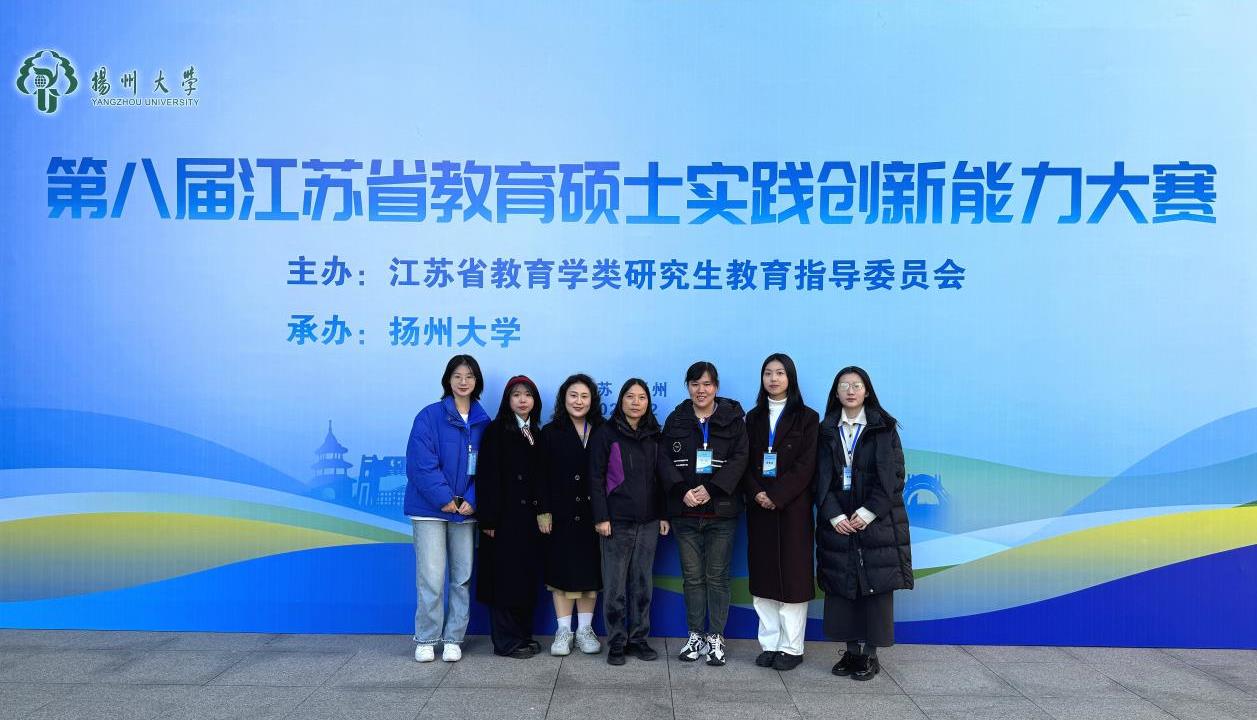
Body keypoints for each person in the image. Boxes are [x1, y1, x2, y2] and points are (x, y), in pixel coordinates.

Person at [815, 366, 912, 681]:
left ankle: (870, 655)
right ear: (836, 392)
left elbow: (895, 477)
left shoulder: (884, 428)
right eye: (844, 385)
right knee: (842, 588)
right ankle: (851, 652)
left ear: (867, 391)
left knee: (874, 589)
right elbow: (819, 479)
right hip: (839, 522)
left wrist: (868, 513)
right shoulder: (826, 429)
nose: (850, 390)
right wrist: (834, 515)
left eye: (856, 385)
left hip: (877, 522)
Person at [404, 354, 491, 663]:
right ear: (448, 380)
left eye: (469, 376)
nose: (463, 382)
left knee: (462, 576)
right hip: (430, 509)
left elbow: (489, 468)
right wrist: (445, 499)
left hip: (465, 511)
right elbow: (420, 463)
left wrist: (472, 499)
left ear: (477, 381)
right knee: (430, 576)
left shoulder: (484, 422)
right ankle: (427, 638)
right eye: (457, 376)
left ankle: (454, 638)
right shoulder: (429, 416)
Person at [662, 361, 749, 666]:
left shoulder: (733, 419)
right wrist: (681, 489)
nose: (701, 390)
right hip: (685, 515)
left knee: (717, 577)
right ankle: (695, 634)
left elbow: (741, 458)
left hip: (721, 515)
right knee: (692, 578)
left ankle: (716, 637)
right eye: (695, 384)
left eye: (707, 384)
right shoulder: (676, 419)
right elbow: (663, 460)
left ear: (716, 387)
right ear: (688, 386)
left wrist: (712, 489)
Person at [589, 379, 675, 666]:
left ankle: (638, 639)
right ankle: (616, 641)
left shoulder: (654, 435)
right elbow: (595, 478)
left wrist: (663, 515)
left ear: (648, 402)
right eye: (630, 396)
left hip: (649, 522)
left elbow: (662, 478)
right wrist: (601, 517)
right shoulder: (606, 433)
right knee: (614, 587)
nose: (636, 402)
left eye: (642, 397)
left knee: (642, 584)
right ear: (621, 400)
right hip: (616, 522)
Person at [742, 353, 819, 671]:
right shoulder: (752, 417)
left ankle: (791, 647)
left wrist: (777, 495)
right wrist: (758, 493)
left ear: (790, 378)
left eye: (780, 373)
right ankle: (770, 644)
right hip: (759, 508)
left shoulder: (808, 418)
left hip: (793, 509)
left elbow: (807, 465)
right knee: (764, 580)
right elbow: (743, 461)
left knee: (793, 579)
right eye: (768, 373)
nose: (773, 379)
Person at [476, 375, 548, 658]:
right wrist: (489, 519)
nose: (522, 400)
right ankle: (506, 642)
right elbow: (487, 477)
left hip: (528, 521)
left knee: (524, 579)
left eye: (527, 395)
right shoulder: (496, 431)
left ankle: (522, 635)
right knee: (504, 580)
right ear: (508, 400)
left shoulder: (536, 433)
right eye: (516, 394)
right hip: (503, 520)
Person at [540, 374, 605, 656]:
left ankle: (585, 631)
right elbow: (540, 475)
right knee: (562, 572)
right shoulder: (550, 431)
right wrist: (543, 510)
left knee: (591, 573)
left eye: (584, 396)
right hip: (561, 514)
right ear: (563, 399)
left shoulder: (602, 429)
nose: (579, 401)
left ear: (593, 400)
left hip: (594, 514)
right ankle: (563, 631)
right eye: (573, 395)